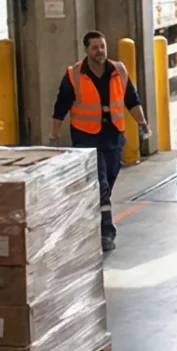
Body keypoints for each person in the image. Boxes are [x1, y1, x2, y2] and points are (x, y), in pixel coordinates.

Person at [48, 31, 149, 253]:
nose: (100, 51)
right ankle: (106, 233)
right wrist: (54, 134)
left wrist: (142, 123)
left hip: (113, 135)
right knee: (100, 185)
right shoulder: (74, 74)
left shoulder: (118, 71)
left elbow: (131, 99)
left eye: (102, 46)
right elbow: (61, 106)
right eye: (95, 48)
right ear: (87, 50)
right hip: (86, 136)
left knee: (108, 183)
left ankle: (90, 221)